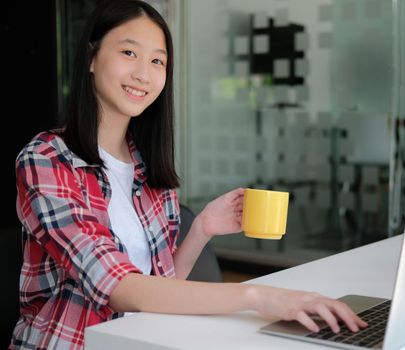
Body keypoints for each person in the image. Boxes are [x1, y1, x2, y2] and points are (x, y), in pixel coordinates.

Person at [10, 1, 366, 348]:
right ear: (91, 58)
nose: (143, 74)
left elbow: (160, 287)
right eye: (129, 53)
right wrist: (259, 295)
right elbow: (118, 288)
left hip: (143, 340)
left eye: (157, 61)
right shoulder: (46, 160)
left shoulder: (145, 162)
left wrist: (201, 229)